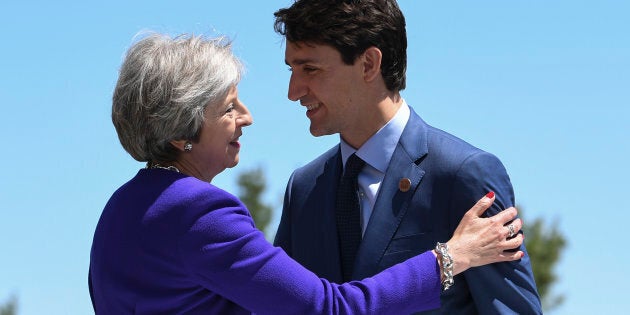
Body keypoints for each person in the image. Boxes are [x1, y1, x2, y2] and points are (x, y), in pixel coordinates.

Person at [88, 32, 525, 314]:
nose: (247, 117)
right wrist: (450, 259)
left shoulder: (120, 210)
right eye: (228, 108)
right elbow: (327, 309)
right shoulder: (200, 213)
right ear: (183, 131)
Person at [272, 1, 542, 314]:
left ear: (369, 64)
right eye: (292, 70)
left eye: (310, 69)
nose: (293, 91)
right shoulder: (303, 189)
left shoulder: (464, 175)